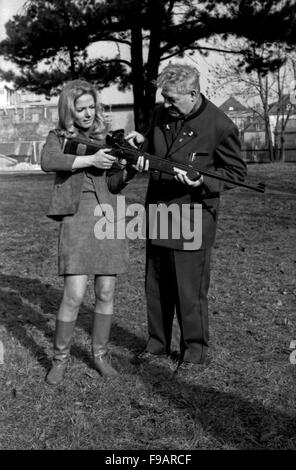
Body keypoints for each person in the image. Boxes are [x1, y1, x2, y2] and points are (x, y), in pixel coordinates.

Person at [126, 63, 247, 376]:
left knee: (189, 289)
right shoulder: (161, 114)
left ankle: (195, 352)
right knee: (156, 285)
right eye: (164, 98)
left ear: (193, 94)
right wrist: (141, 143)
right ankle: (156, 344)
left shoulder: (220, 125)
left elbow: (236, 172)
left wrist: (204, 182)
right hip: (159, 209)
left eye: (172, 100)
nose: (166, 105)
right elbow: (154, 150)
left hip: (192, 212)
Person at [41, 79, 143, 385]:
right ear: (68, 110)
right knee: (74, 295)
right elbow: (48, 161)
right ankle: (59, 360)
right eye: (80, 108)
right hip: (77, 218)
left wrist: (130, 168)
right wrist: (90, 160)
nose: (87, 114)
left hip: (108, 216)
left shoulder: (106, 138)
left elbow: (112, 184)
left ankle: (100, 356)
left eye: (91, 107)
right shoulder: (58, 136)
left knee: (106, 292)